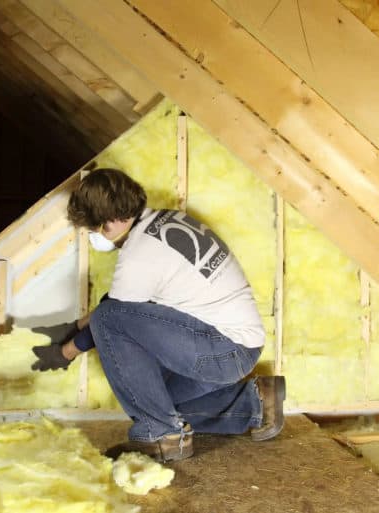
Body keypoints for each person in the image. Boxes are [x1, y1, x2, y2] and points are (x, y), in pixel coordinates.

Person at [31, 168, 285, 462]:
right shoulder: (166, 221)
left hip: (222, 350)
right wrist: (72, 326)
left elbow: (111, 316)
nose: (96, 236)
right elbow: (121, 301)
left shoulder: (138, 254)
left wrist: (65, 352)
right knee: (152, 398)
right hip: (234, 347)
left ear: (116, 219)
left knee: (110, 323)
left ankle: (161, 435)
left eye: (97, 228)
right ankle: (255, 402)